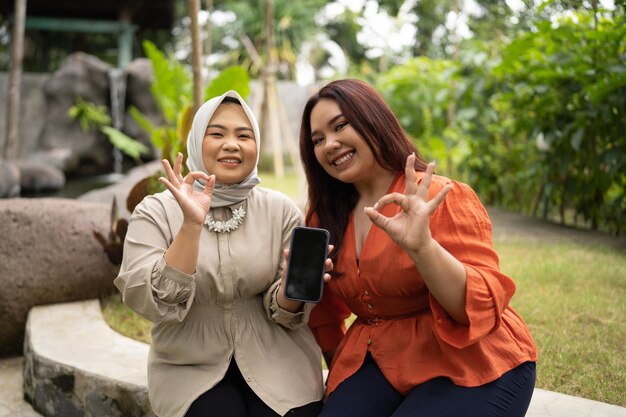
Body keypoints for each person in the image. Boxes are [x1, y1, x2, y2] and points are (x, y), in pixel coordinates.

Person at [299, 79, 538, 417]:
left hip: (472, 358)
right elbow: (323, 315)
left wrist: (423, 247)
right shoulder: (324, 217)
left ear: (372, 120)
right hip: (381, 357)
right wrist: (345, 387)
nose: (330, 145)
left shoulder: (442, 195)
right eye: (318, 140)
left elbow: (472, 310)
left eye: (340, 126)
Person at [114, 90, 328, 417]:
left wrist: (289, 291)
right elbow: (152, 301)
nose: (232, 144)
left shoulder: (280, 210)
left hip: (276, 355)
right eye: (217, 134)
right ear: (197, 139)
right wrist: (190, 225)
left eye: (244, 135)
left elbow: (283, 311)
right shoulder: (155, 211)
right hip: (188, 363)